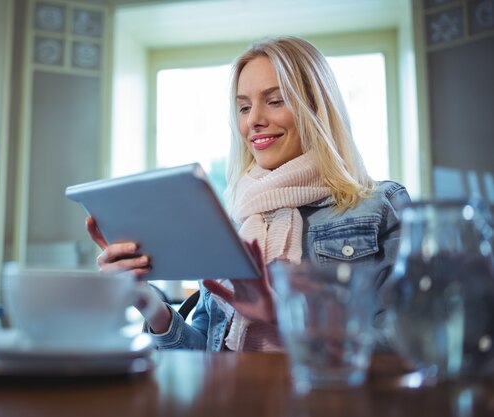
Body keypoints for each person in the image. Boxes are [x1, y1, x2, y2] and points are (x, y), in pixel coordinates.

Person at [86, 36, 411, 352]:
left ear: (316, 107)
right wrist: (148, 303)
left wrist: (284, 317)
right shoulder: (230, 222)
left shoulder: (379, 205)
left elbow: (406, 342)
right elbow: (206, 352)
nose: (253, 120)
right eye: (243, 107)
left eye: (274, 100)